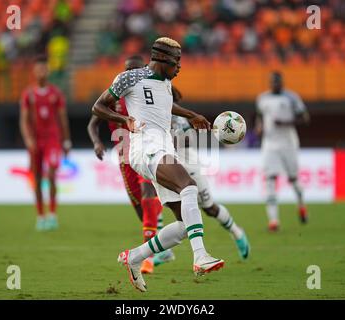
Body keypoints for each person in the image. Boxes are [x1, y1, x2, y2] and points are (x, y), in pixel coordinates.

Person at [92, 37, 224, 292]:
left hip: (163, 147)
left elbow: (166, 106)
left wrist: (192, 115)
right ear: (163, 59)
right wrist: (124, 119)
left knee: (185, 224)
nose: (180, 67)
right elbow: (98, 107)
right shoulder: (129, 78)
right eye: (177, 61)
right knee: (189, 186)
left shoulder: (164, 84)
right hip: (145, 147)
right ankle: (200, 257)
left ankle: (134, 258)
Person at [87, 55, 172, 274]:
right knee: (141, 208)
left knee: (147, 194)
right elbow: (93, 122)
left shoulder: (147, 92)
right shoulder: (114, 94)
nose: (130, 75)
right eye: (127, 70)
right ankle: (161, 246)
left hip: (145, 149)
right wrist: (97, 142)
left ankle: (148, 258)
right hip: (124, 156)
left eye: (134, 70)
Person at [168, 87, 250, 260]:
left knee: (209, 208)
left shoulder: (181, 117)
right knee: (175, 210)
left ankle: (237, 232)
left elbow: (185, 140)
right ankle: (163, 252)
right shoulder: (157, 114)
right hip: (170, 168)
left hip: (190, 168)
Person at [20, 55, 72, 231]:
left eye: (44, 68)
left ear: (48, 71)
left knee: (51, 175)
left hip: (53, 140)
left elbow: (62, 118)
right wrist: (28, 139)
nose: (41, 71)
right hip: (36, 141)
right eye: (39, 68)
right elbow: (24, 120)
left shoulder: (55, 93)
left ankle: (52, 214)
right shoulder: (29, 94)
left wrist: (66, 141)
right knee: (36, 177)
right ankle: (40, 215)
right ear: (34, 71)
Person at [254, 71, 310, 232]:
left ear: (282, 83)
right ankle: (273, 220)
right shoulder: (262, 98)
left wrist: (286, 122)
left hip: (288, 143)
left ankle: (301, 204)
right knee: (270, 179)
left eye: (277, 82)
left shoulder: (292, 98)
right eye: (272, 82)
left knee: (293, 179)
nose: (275, 84)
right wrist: (259, 127)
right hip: (270, 144)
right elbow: (259, 116)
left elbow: (305, 118)